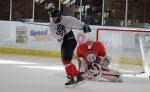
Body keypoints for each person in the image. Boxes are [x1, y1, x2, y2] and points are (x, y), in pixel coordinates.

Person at [49, 9, 91, 87]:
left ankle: (72, 78)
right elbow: (55, 36)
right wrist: (59, 32)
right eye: (52, 18)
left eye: (55, 17)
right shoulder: (51, 24)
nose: (53, 19)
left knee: (66, 61)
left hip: (70, 40)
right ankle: (78, 77)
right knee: (65, 61)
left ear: (60, 16)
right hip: (64, 42)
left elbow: (78, 23)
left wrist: (84, 26)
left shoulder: (68, 19)